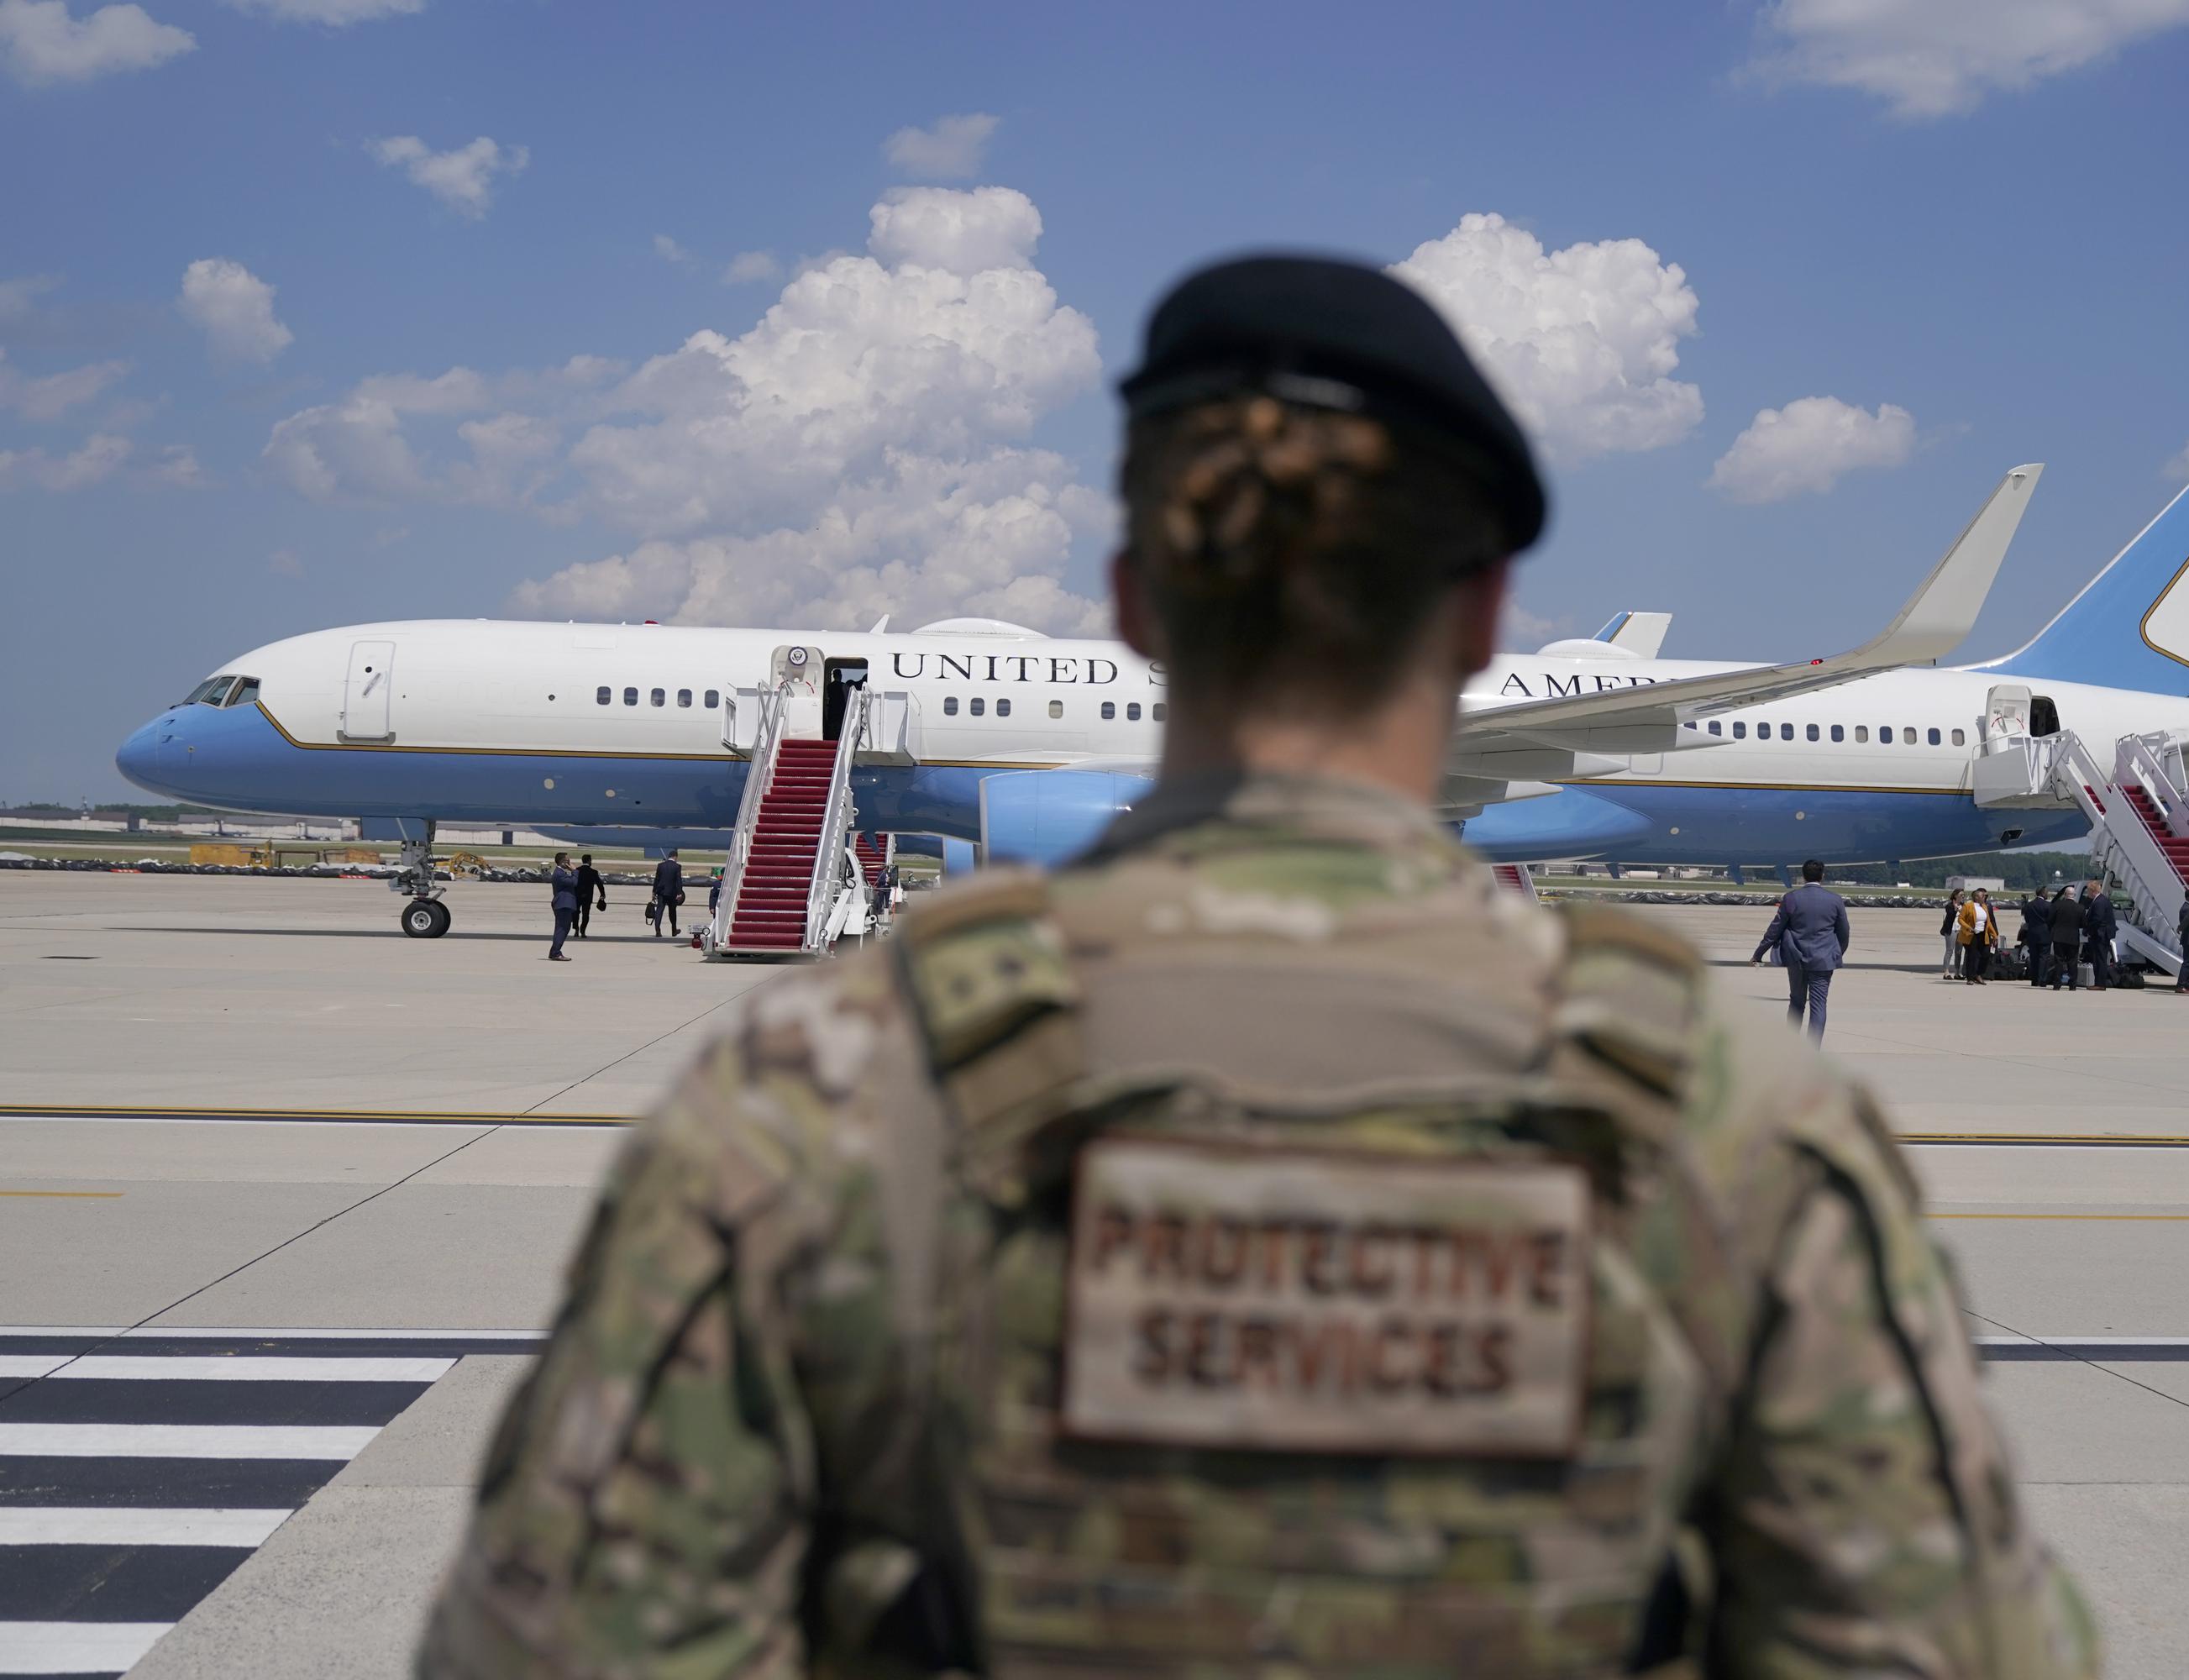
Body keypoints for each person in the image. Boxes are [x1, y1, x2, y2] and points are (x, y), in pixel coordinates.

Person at [421, 255, 2092, 1679]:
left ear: (1133, 601)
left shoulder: (813, 1100)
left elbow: (555, 1634)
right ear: (1488, 616)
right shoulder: (1738, 1130)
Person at [1751, 858, 1851, 1042]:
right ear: (1823, 876)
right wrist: (1836, 953)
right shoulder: (1835, 900)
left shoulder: (1792, 898)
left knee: (1796, 1003)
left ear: (1803, 877)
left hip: (1796, 958)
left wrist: (1759, 953)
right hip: (1824, 960)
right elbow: (1844, 932)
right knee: (1819, 1005)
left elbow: (1775, 929)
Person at [1955, 885, 1999, 984]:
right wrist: (1968, 927)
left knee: (1986, 954)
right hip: (1972, 934)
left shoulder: (1984, 907)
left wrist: (1994, 935)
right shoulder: (1968, 906)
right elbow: (1960, 919)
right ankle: (1970, 978)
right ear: (1976, 897)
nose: (1985, 898)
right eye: (1983, 896)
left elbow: (1988, 923)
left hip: (1983, 934)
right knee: (1972, 956)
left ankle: (1978, 974)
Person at [2045, 884, 2085, 990]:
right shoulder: (2080, 908)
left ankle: (2057, 984)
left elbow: (2050, 920)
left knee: (2059, 961)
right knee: (2073, 962)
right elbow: (2083, 924)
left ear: (2065, 895)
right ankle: (2072, 985)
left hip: (2059, 937)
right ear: (2074, 895)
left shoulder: (2057, 905)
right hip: (2073, 938)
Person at [2083, 880, 2117, 991]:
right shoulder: (2102, 900)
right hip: (2102, 934)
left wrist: (2088, 930)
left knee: (2099, 960)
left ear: (2092, 891)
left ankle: (2100, 983)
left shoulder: (2099, 902)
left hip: (2100, 935)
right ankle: (2099, 982)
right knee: (2100, 959)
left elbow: (2097, 920)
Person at [543, 850, 575, 963]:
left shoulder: (561, 873)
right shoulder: (559, 874)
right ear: (562, 862)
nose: (570, 863)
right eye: (568, 861)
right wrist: (575, 871)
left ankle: (554, 952)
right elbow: (574, 882)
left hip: (563, 904)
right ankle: (556, 953)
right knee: (562, 929)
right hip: (563, 904)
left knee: (562, 928)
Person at [2019, 885, 2052, 985]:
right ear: (2043, 893)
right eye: (2047, 892)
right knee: (2044, 958)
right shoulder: (2048, 905)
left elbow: (2027, 920)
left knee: (2034, 958)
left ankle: (2034, 980)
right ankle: (2042, 980)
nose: (2048, 894)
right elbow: (2051, 920)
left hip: (2032, 933)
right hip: (2045, 934)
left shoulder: (2029, 905)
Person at [649, 848, 685, 938]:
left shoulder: (660, 865)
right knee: (672, 911)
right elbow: (678, 881)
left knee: (659, 911)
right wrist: (680, 892)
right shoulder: (677, 867)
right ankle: (674, 930)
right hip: (672, 893)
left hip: (661, 892)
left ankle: (657, 930)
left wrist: (654, 891)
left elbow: (657, 879)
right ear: (675, 857)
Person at [570, 853, 605, 937]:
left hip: (577, 896)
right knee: (586, 914)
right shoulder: (593, 872)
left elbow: (572, 883)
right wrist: (602, 894)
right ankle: (583, 931)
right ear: (589, 861)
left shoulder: (577, 871)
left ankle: (576, 929)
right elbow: (600, 884)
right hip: (587, 897)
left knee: (575, 913)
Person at [1939, 886, 1962, 978]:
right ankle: (1946, 972)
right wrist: (1955, 909)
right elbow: (1950, 916)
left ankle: (1957, 972)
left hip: (1960, 929)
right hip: (1951, 929)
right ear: (1955, 896)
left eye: (1963, 895)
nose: (1963, 897)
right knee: (1950, 950)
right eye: (1961, 895)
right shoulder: (1949, 906)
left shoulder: (1963, 905)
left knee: (1959, 952)